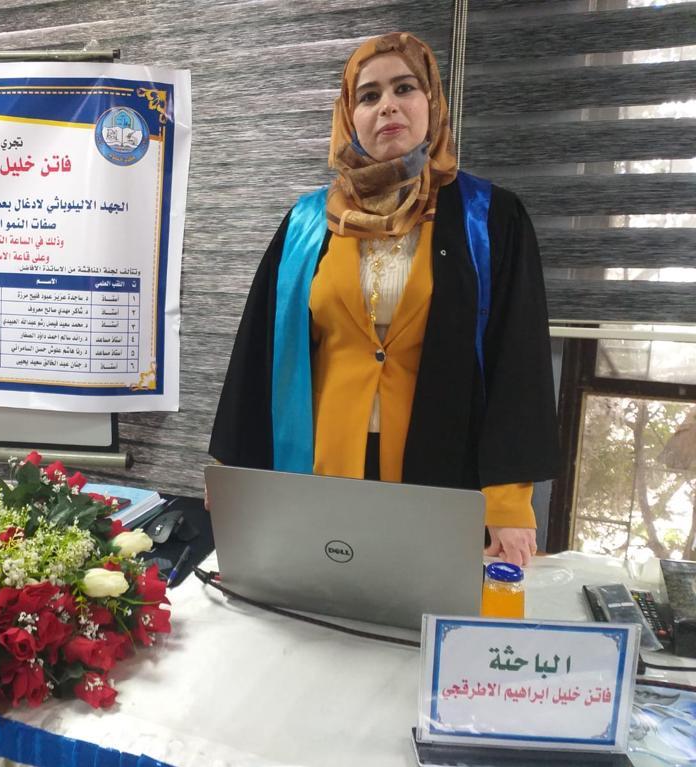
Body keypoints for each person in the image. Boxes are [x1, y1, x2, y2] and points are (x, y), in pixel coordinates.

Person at [208, 32, 558, 567]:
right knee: (317, 596)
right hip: (323, 462)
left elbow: (519, 360)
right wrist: (233, 471)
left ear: (432, 102)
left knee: (420, 601)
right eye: (369, 95)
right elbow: (259, 350)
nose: (387, 106)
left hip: (440, 464)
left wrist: (509, 503)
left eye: (404, 88)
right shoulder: (308, 222)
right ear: (350, 116)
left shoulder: (489, 218)